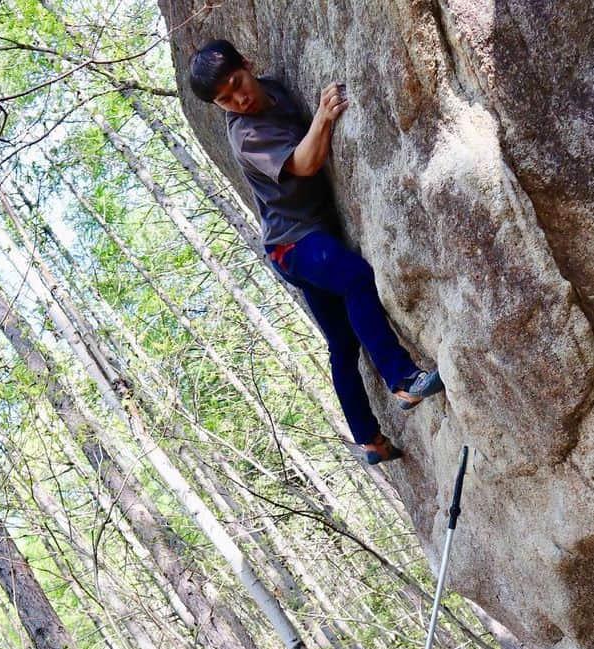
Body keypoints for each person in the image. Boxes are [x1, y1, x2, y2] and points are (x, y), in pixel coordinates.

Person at [188, 39, 445, 467]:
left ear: (247, 65)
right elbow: (305, 164)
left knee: (342, 345)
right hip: (295, 244)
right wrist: (324, 118)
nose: (239, 99)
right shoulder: (246, 133)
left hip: (305, 237)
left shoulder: (271, 90)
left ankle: (369, 440)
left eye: (237, 83)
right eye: (225, 99)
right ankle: (402, 378)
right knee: (355, 278)